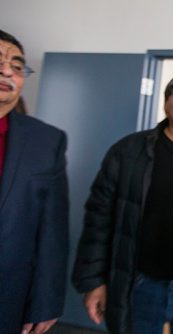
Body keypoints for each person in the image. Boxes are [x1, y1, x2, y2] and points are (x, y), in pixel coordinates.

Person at [72, 69, 173, 334]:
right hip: (140, 282)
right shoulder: (127, 151)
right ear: (166, 101)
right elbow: (98, 218)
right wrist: (94, 281)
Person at [0, 29, 69, 334]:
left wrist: (46, 299)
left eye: (17, 66)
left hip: (8, 294)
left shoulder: (45, 140)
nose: (6, 71)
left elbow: (52, 228)